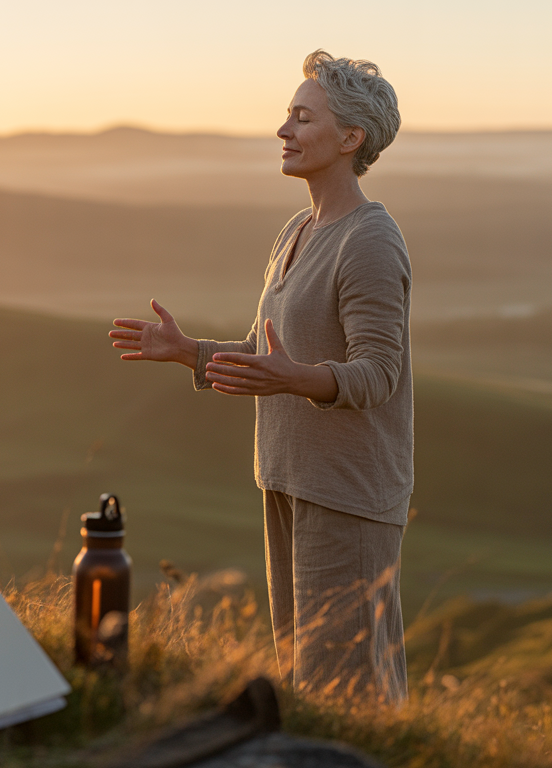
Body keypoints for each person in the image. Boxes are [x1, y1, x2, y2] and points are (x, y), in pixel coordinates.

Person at [108, 50, 411, 703]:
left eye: (302, 118)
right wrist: (190, 352)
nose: (284, 130)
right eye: (287, 115)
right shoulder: (296, 230)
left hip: (346, 494)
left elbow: (378, 372)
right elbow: (268, 353)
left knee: (348, 690)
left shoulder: (370, 239)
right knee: (304, 683)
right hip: (286, 478)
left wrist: (296, 379)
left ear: (350, 139)